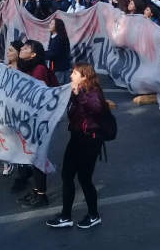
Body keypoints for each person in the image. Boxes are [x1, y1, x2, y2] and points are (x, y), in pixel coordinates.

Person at [46, 63, 107, 230]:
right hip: (76, 138)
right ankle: (66, 216)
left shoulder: (92, 91)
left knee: (84, 178)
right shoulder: (75, 91)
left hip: (90, 140)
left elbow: (96, 108)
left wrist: (78, 93)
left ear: (84, 76)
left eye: (74, 73)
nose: (71, 75)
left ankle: (94, 215)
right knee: (67, 176)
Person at [13, 41, 59, 208]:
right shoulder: (25, 67)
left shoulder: (39, 69)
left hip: (38, 121)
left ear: (33, 55)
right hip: (28, 120)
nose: (22, 49)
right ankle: (35, 191)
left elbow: (35, 94)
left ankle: (41, 196)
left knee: (39, 156)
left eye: (26, 48)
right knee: (33, 156)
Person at [47, 18, 72, 84]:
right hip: (58, 68)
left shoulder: (59, 38)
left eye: (52, 24)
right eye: (50, 24)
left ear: (57, 26)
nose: (49, 25)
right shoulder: (54, 38)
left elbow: (54, 54)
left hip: (60, 68)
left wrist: (40, 54)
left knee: (59, 86)